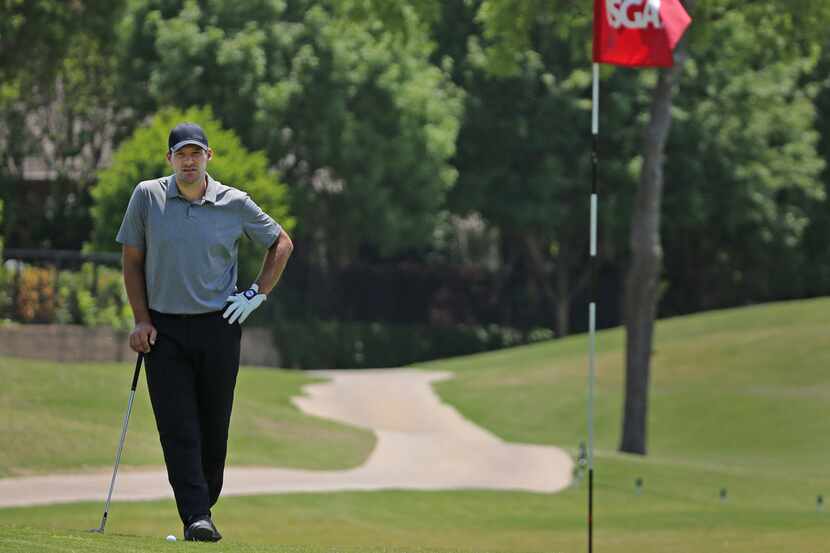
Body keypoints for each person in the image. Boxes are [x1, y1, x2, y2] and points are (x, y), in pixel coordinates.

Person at [116, 122, 293, 541]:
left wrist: (257, 293)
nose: (189, 161)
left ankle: (202, 506)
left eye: (196, 153)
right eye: (181, 154)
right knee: (177, 426)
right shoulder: (147, 196)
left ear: (209, 157)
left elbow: (281, 242)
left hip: (219, 326)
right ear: (170, 159)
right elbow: (132, 260)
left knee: (215, 427)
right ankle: (196, 515)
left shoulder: (234, 202)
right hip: (165, 330)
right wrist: (141, 318)